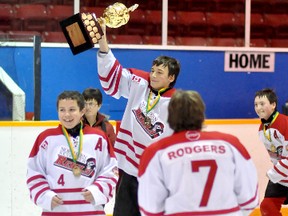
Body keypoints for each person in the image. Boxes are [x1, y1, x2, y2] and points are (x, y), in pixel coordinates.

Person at [97, 18, 181, 216]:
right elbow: (112, 74)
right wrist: (102, 38)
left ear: (171, 78)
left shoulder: (178, 104)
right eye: (152, 70)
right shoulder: (139, 83)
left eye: (159, 72)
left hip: (155, 177)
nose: (153, 75)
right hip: (127, 172)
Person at [138, 90, 259, 216]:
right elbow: (249, 199)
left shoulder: (156, 152)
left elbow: (150, 208)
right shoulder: (230, 144)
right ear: (201, 113)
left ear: (170, 116)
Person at [26, 90, 118, 215]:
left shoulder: (99, 137)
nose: (67, 115)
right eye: (62, 110)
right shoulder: (46, 139)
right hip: (56, 211)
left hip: (90, 211)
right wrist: (45, 195)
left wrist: (97, 191)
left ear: (82, 111)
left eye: (72, 110)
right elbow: (34, 172)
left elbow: (110, 170)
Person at [254, 88, 288, 215]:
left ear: (273, 105)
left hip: (281, 172)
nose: (258, 108)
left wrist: (273, 173)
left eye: (262, 104)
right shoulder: (261, 129)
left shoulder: (285, 123)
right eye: (256, 105)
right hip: (282, 174)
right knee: (267, 206)